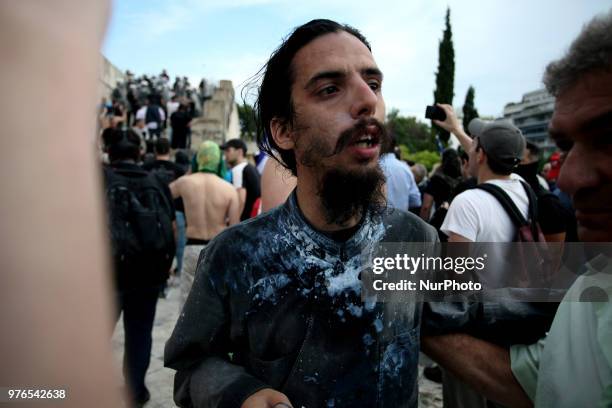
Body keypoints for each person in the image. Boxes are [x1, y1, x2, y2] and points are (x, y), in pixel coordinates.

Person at [164, 19, 437, 408]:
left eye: (373, 85)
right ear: (284, 131)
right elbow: (190, 365)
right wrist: (243, 393)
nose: (368, 101)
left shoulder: (416, 239)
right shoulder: (234, 255)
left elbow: (488, 310)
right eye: (330, 89)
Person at [422, 10, 612, 408]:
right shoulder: (529, 189)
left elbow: (452, 283)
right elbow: (551, 378)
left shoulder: (468, 201)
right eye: (566, 147)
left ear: (480, 155)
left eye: (607, 139)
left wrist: (393, 285)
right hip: (514, 327)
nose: (570, 180)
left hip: (482, 330)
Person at [102, 128, 176, 407]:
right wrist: (166, 266)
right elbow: (170, 226)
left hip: (108, 274)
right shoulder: (156, 181)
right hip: (148, 273)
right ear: (139, 153)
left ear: (110, 152)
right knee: (139, 333)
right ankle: (135, 392)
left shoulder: (101, 179)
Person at [169, 141, 240, 306]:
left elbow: (163, 195)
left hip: (192, 247)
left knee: (188, 301)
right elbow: (234, 228)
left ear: (198, 159)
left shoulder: (185, 182)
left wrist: (188, 173)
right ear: (218, 161)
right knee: (217, 302)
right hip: (218, 249)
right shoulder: (229, 189)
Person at [221, 138, 261, 221]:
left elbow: (240, 200)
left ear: (239, 152)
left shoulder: (239, 169)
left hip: (244, 220)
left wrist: (233, 225)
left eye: (228, 150)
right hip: (253, 220)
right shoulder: (250, 167)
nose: (225, 154)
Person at [379, 134, 422, 212]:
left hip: (374, 221)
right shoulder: (406, 169)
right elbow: (416, 201)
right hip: (399, 221)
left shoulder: (372, 167)